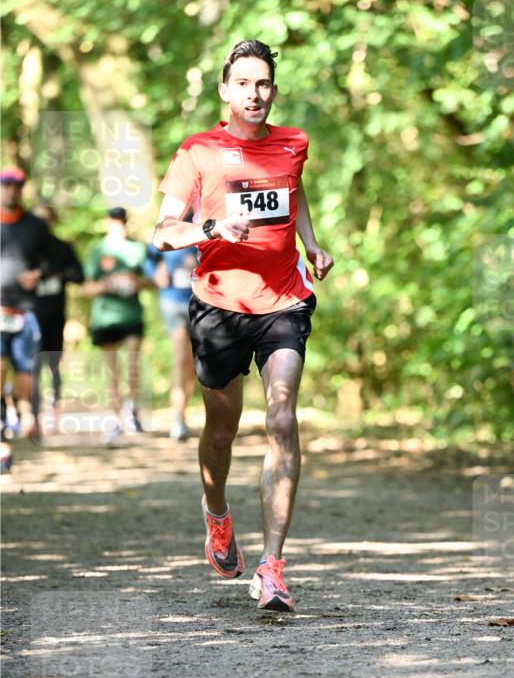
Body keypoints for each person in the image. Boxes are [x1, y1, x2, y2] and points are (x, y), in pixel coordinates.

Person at [152, 39, 333, 612]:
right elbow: (163, 231)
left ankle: (272, 566)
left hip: (283, 300)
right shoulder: (198, 151)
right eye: (244, 84)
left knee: (281, 414)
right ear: (226, 91)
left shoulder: (293, 142)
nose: (255, 94)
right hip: (218, 308)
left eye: (264, 85)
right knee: (222, 432)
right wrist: (210, 228)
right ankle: (217, 513)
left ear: (272, 91)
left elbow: (292, 189)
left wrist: (311, 243)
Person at [83, 207, 151, 443]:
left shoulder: (136, 249)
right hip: (104, 318)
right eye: (113, 221)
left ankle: (131, 409)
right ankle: (114, 417)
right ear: (107, 223)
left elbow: (154, 280)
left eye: (121, 221)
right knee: (112, 370)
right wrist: (106, 285)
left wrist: (135, 282)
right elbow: (87, 288)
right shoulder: (98, 250)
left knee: (132, 363)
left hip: (131, 316)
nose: (117, 225)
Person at [0, 167, 50, 470]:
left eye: (17, 185)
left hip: (26, 313)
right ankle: (2, 442)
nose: (11, 190)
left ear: (22, 189)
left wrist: (39, 273)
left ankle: (28, 419)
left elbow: (54, 258)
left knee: (24, 381)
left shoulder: (35, 225)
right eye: (6, 185)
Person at [31, 204, 84, 433]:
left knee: (53, 363)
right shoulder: (25, 248)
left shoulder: (62, 247)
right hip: (30, 316)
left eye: (46, 220)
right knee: (31, 365)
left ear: (52, 221)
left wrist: (60, 274)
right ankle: (33, 417)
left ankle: (54, 413)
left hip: (54, 314)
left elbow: (79, 276)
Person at [144, 236, 197, 441]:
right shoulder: (167, 226)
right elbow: (148, 260)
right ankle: (177, 418)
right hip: (172, 302)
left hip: (199, 301)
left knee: (193, 364)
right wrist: (155, 273)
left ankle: (183, 414)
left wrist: (198, 264)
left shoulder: (203, 220)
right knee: (181, 359)